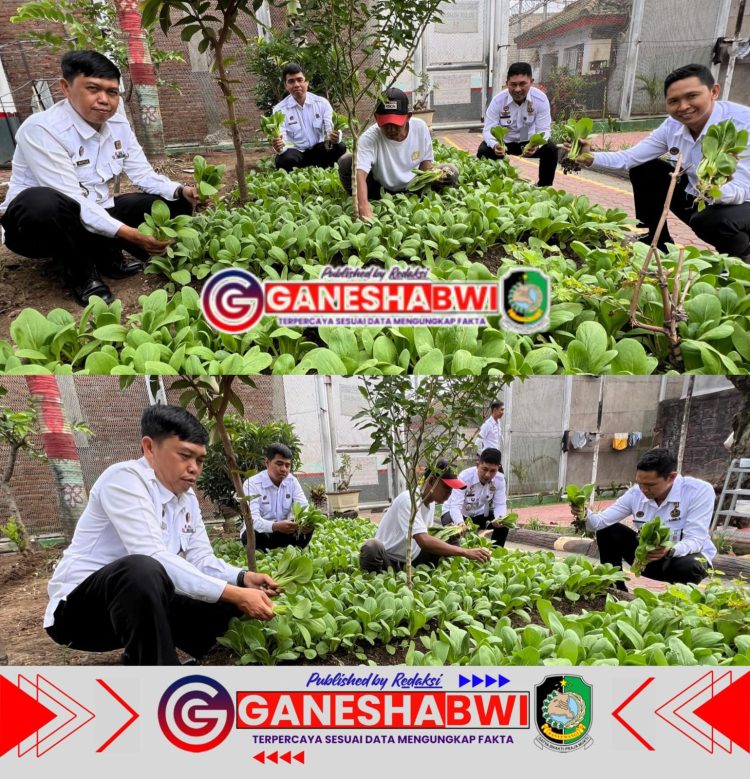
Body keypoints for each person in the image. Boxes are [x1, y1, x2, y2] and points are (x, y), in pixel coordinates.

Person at [43, 405, 280, 666]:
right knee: (141, 568)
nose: (194, 468)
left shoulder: (186, 498)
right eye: (185, 456)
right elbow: (151, 554)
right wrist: (233, 592)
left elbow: (201, 559)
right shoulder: (124, 480)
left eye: (199, 460)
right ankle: (164, 678)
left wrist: (242, 578)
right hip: (81, 617)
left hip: (140, 609)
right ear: (149, 448)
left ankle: (214, 659)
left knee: (230, 604)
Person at [0, 51, 201, 305]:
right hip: (38, 228)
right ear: (66, 87)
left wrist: (181, 191)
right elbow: (73, 199)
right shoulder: (42, 129)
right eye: (93, 89)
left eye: (112, 92)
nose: (104, 100)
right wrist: (128, 233)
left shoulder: (118, 125)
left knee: (172, 202)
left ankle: (110, 255)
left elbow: (143, 175)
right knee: (43, 202)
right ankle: (84, 276)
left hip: (94, 212)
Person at [570, 64, 750, 260]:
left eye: (692, 96)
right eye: (674, 101)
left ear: (714, 92)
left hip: (741, 200)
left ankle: (739, 264)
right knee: (645, 169)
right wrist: (588, 158)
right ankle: (655, 246)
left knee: (713, 220)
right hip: (702, 196)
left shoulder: (741, 124)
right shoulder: (673, 125)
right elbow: (630, 158)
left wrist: (716, 188)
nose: (683, 106)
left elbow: (741, 189)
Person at [570, 448, 716, 590]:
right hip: (647, 560)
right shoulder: (636, 493)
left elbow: (696, 540)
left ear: (671, 477)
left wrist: (670, 550)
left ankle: (680, 602)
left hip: (679, 561)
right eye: (640, 483)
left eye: (650, 485)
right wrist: (583, 512)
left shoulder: (699, 491)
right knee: (607, 530)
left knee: (688, 566)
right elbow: (598, 523)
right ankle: (615, 590)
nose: (643, 490)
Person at [338, 88, 459, 220]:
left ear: (408, 117)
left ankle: (420, 195)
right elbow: (360, 174)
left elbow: (425, 164)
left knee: (451, 171)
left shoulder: (420, 127)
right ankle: (362, 197)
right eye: (385, 124)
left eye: (396, 124)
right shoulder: (369, 138)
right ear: (376, 119)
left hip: (413, 187)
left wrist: (432, 176)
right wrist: (363, 207)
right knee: (346, 161)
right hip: (380, 190)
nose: (390, 129)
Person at [359, 460, 492, 573]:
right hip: (388, 560)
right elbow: (423, 540)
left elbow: (426, 534)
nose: (449, 494)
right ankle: (377, 578)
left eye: (452, 490)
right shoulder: (409, 500)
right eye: (447, 488)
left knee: (452, 540)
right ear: (431, 481)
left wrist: (448, 533)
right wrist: (465, 552)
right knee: (372, 547)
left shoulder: (431, 502)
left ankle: (434, 574)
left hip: (411, 561)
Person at [477, 62, 558, 187]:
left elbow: (544, 130)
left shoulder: (540, 100)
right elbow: (488, 130)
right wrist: (495, 145)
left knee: (551, 149)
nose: (517, 89)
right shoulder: (498, 101)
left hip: (527, 142)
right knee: (483, 150)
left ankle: (544, 186)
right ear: (507, 83)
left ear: (531, 82)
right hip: (504, 143)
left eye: (522, 84)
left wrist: (535, 145)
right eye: (513, 84)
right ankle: (491, 185)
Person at [270, 62, 346, 172]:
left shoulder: (322, 103)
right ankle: (303, 171)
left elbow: (331, 129)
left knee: (340, 146)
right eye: (291, 81)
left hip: (318, 151)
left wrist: (336, 136)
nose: (296, 84)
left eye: (300, 80)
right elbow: (282, 142)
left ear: (307, 81)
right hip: (296, 152)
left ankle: (323, 167)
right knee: (283, 159)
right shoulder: (279, 110)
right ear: (286, 85)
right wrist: (279, 147)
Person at [241, 442, 313, 552]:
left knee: (309, 526)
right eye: (279, 464)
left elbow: (304, 506)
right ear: (267, 463)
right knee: (251, 533)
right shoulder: (252, 484)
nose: (284, 469)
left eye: (287, 465)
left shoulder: (292, 481)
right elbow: (253, 521)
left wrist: (302, 522)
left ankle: (293, 550)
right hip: (263, 534)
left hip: (284, 531)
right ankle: (263, 553)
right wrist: (275, 526)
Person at [442, 448, 509, 547]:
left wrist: (499, 519)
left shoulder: (499, 480)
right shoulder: (465, 477)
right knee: (454, 533)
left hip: (478, 515)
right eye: (485, 469)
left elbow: (500, 504)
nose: (487, 475)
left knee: (504, 524)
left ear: (498, 468)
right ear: (478, 465)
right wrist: (460, 523)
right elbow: (455, 506)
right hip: (454, 513)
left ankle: (495, 554)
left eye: (493, 471)